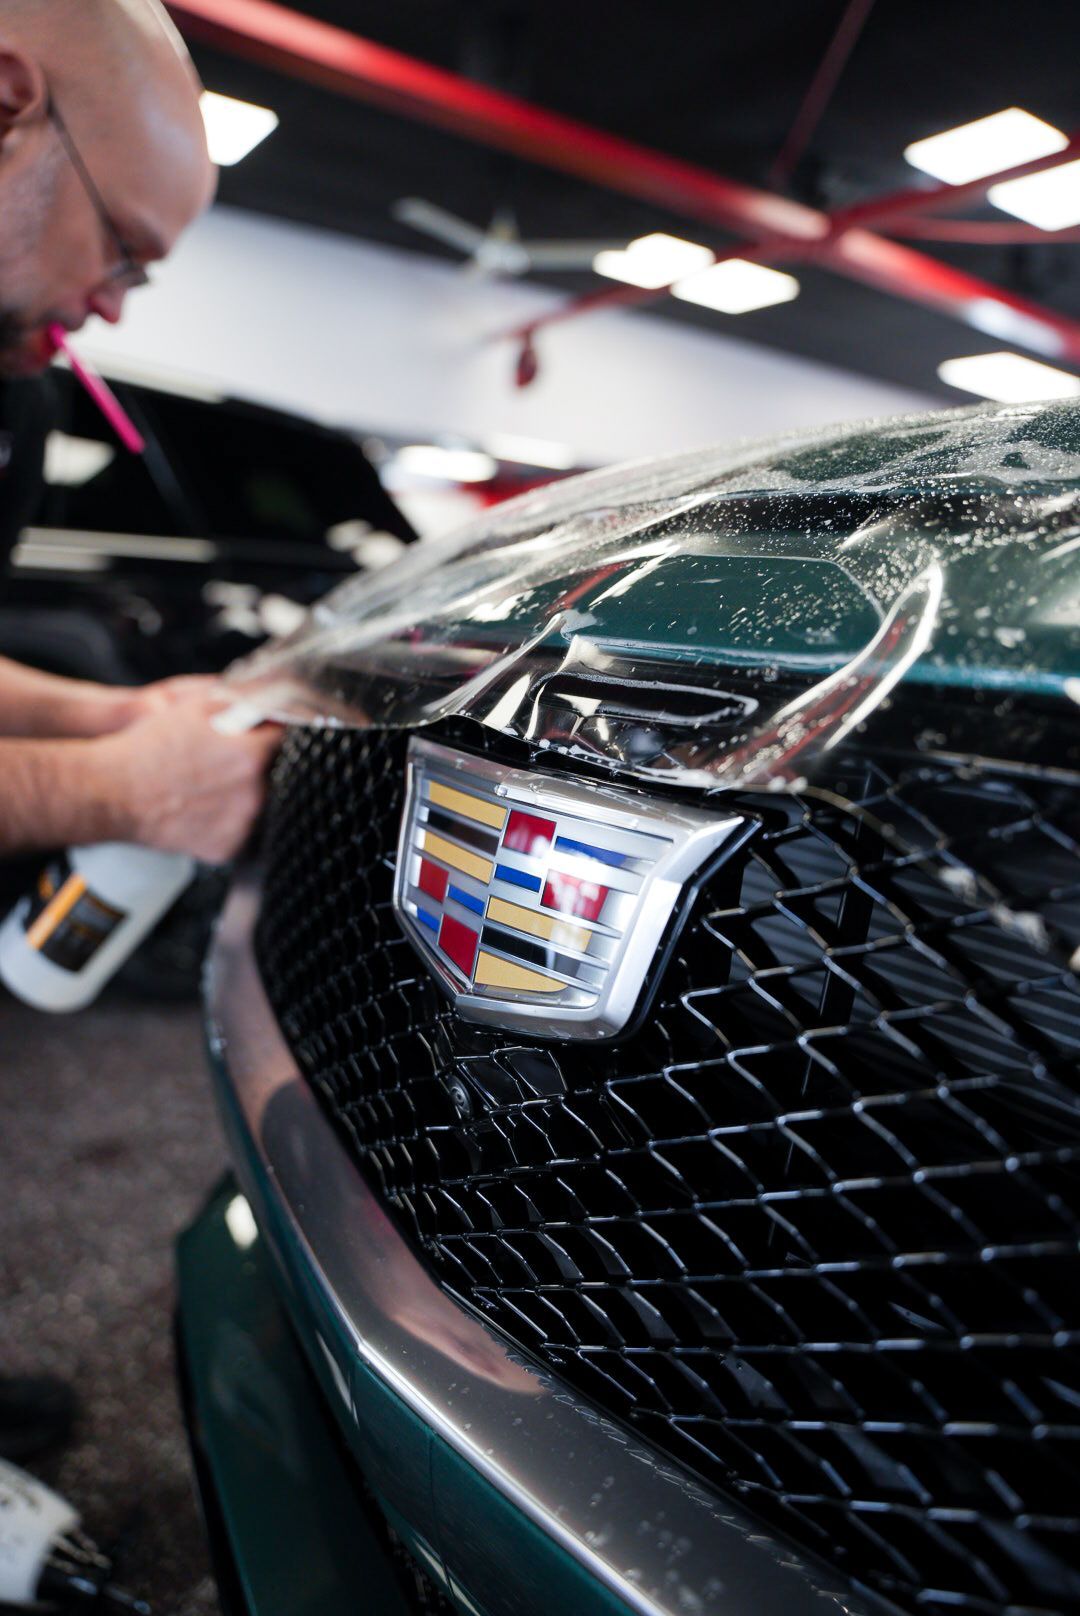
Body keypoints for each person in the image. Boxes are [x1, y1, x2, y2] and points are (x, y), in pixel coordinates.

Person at [0, 0, 282, 1456]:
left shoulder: (11, 377)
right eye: (125, 248)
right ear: (5, 103)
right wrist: (124, 790)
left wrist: (120, 713)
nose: (118, 299)